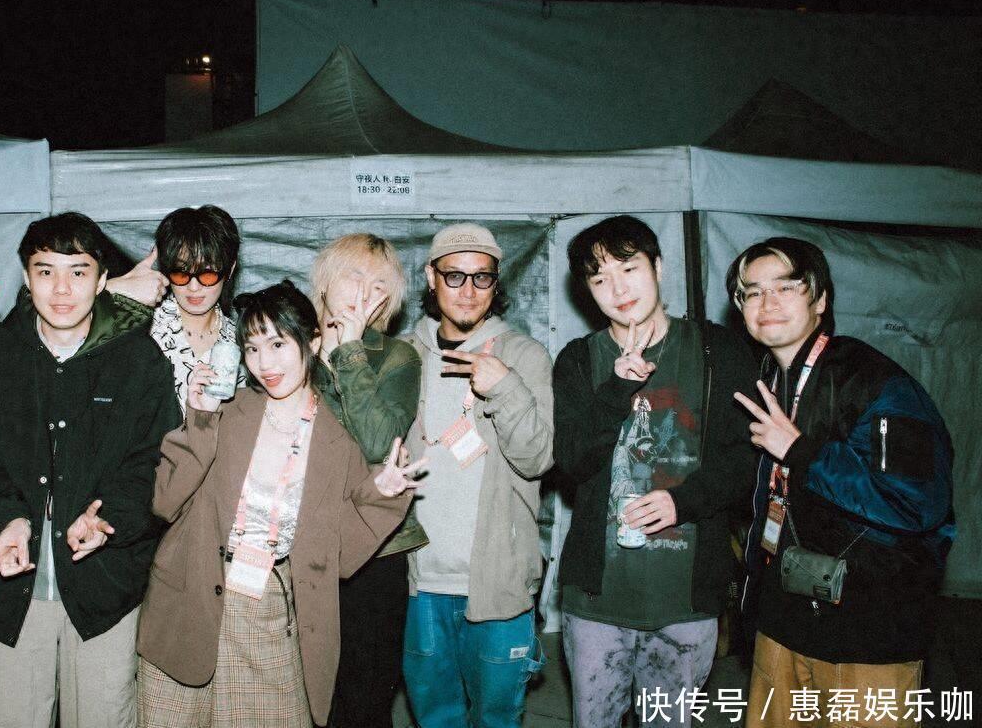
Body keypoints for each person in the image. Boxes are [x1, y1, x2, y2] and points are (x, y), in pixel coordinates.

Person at [137, 280, 423, 728]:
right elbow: (164, 502)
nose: (264, 363)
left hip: (269, 608)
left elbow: (337, 557)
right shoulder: (227, 411)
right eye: (252, 348)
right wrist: (199, 420)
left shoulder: (337, 442)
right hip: (191, 598)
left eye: (277, 344)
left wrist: (381, 494)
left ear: (312, 342)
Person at [0, 212, 180, 728]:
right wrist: (5, 519)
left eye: (78, 271)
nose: (62, 289)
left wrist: (110, 517)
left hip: (104, 587)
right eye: (46, 271)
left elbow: (155, 462)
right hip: (8, 590)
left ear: (102, 279)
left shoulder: (139, 361)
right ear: (27, 279)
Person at [727, 237, 954, 728]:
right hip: (782, 627)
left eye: (785, 287)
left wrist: (801, 452)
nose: (767, 302)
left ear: (820, 299)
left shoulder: (875, 381)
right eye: (752, 292)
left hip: (867, 638)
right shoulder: (766, 380)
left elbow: (917, 505)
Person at [551, 216, 756, 728]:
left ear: (658, 267)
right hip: (597, 602)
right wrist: (617, 389)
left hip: (686, 600)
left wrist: (681, 502)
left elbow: (747, 460)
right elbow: (572, 460)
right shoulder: (579, 359)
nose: (618, 289)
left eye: (629, 268)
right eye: (600, 278)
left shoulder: (718, 350)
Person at [401, 223, 553, 728]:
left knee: (497, 719)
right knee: (435, 719)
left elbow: (537, 459)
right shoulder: (407, 355)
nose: (468, 290)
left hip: (498, 582)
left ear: (496, 282)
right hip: (420, 582)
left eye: (481, 277)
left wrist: (505, 387)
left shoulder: (524, 355)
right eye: (455, 276)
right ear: (431, 277)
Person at [308, 234, 423, 728]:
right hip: (302, 541)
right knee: (305, 691)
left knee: (367, 693)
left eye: (379, 284)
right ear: (325, 281)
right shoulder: (290, 347)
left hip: (377, 545)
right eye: (353, 276)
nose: (363, 291)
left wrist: (349, 352)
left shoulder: (397, 357)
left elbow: (379, 442)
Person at [106, 204, 244, 411]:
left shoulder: (242, 341)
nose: (193, 287)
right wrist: (115, 287)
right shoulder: (139, 325)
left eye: (207, 274)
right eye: (181, 273)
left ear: (229, 269)